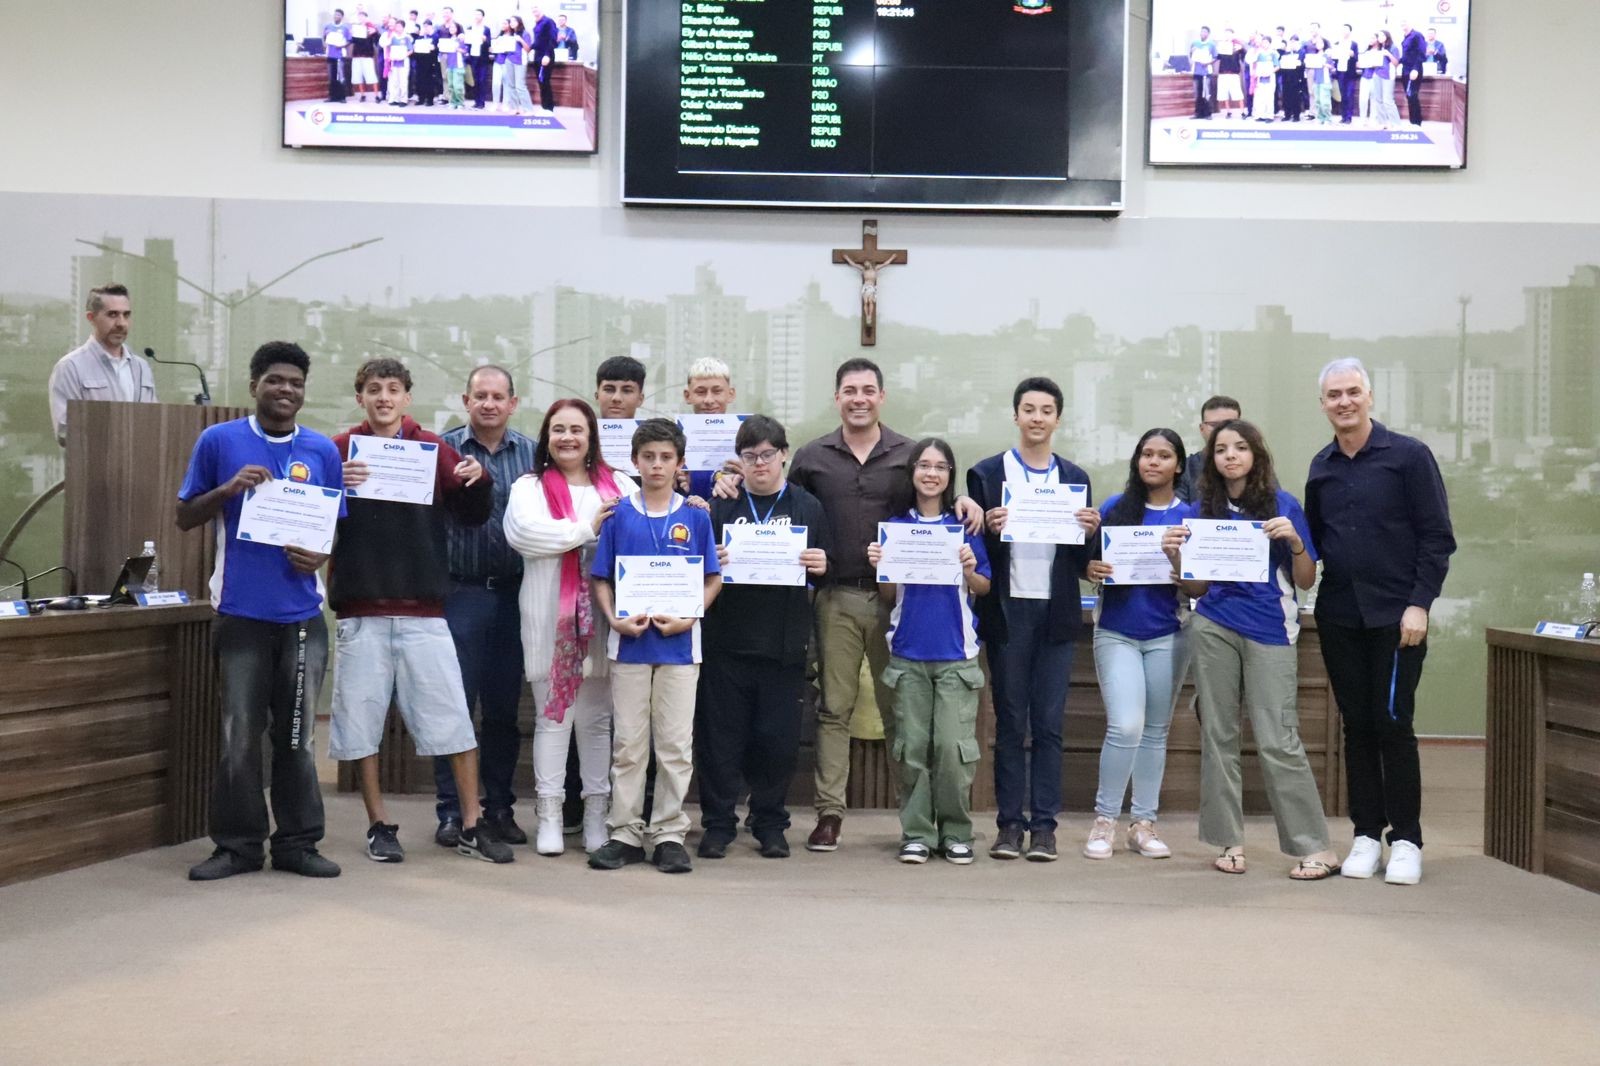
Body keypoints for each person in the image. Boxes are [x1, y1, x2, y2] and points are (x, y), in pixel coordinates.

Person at [787, 358, 983, 852]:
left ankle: (912, 822)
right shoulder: (812, 457)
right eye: (850, 390)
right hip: (836, 597)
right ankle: (830, 814)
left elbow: (935, 496)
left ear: (882, 396)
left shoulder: (908, 454)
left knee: (903, 714)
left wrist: (968, 503)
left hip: (900, 604)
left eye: (868, 390)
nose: (859, 398)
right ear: (837, 397)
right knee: (834, 710)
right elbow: (787, 513)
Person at [328, 358, 513, 866]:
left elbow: (472, 516)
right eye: (372, 389)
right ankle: (377, 823)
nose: (383, 397)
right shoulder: (340, 450)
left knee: (453, 718)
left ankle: (473, 824)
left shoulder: (433, 448)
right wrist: (334, 485)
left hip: (426, 611)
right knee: (361, 723)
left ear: (407, 397)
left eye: (392, 389)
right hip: (361, 609)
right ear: (360, 396)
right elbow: (318, 519)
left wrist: (480, 480)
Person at [177, 342, 344, 881]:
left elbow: (332, 525)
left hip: (301, 617)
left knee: (297, 737)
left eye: (295, 382)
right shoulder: (219, 441)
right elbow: (184, 515)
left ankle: (297, 844)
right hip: (241, 613)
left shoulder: (320, 450)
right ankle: (237, 847)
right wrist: (228, 489)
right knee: (238, 735)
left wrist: (321, 554)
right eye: (275, 380)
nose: (286, 390)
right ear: (254, 386)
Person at [1162, 420, 1341, 881]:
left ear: (1256, 455)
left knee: (1278, 738)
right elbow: (1197, 585)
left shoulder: (1283, 505)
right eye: (1221, 449)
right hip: (1214, 625)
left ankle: (1315, 847)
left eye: (1240, 448)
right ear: (1212, 460)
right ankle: (1228, 841)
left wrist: (1296, 542)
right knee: (1218, 735)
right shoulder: (1203, 510)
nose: (1230, 456)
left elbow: (1304, 580)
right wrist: (1176, 558)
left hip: (1270, 630)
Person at [1305, 357, 1455, 885]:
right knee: (1357, 727)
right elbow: (1316, 545)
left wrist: (1420, 604)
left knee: (1394, 725)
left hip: (1398, 618)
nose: (1343, 402)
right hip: (1340, 615)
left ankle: (1407, 839)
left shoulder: (1409, 457)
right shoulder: (1321, 466)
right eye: (1333, 395)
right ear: (1323, 404)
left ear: (1369, 396)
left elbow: (1438, 538)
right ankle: (1366, 834)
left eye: (1352, 392)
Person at [967, 378, 1096, 861]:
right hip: (1008, 611)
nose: (1037, 417)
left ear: (1058, 419)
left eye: (1046, 410)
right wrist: (992, 527)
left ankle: (1044, 828)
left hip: (1057, 613)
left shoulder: (1075, 476)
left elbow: (1082, 558)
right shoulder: (985, 474)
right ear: (1016, 415)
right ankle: (1008, 827)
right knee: (1009, 722)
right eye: (1028, 409)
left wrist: (1089, 533)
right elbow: (976, 545)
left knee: (1048, 725)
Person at [587, 419, 722, 873]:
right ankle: (624, 832)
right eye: (649, 457)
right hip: (629, 648)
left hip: (680, 650)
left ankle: (668, 832)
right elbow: (602, 578)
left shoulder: (696, 516)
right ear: (635, 461)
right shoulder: (619, 515)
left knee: (675, 745)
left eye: (666, 457)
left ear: (680, 463)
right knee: (628, 744)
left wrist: (690, 616)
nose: (657, 465)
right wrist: (613, 620)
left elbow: (712, 578)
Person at [504, 399, 634, 855]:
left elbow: (635, 530)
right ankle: (550, 816)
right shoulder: (529, 486)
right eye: (558, 429)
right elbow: (524, 535)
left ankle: (597, 815)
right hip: (546, 616)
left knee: (598, 723)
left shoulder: (618, 483)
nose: (567, 438)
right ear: (546, 437)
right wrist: (586, 529)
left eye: (577, 429)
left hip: (602, 612)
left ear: (591, 436)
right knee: (552, 719)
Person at [698, 415, 830, 860]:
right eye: (750, 456)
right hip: (726, 644)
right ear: (740, 460)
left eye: (768, 455)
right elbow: (698, 573)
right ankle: (718, 825)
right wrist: (710, 561)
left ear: (784, 455)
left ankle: (770, 824)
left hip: (784, 645)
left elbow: (822, 573)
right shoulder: (720, 508)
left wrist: (820, 565)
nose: (759, 464)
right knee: (721, 742)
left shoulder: (807, 506)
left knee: (776, 743)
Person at [429, 366, 538, 849]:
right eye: (480, 396)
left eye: (498, 396)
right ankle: (452, 811)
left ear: (513, 403)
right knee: (454, 706)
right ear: (465, 400)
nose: (489, 404)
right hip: (460, 593)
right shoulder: (441, 450)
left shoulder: (536, 456)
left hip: (516, 594)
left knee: (501, 710)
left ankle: (499, 808)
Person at [869, 439, 991, 865]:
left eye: (940, 466)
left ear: (949, 475)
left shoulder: (965, 527)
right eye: (923, 465)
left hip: (957, 655)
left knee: (953, 750)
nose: (931, 473)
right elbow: (887, 596)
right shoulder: (895, 529)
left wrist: (970, 569)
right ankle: (917, 832)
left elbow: (984, 588)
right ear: (913, 472)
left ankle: (957, 832)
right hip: (907, 653)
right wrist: (880, 564)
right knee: (913, 747)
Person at [1083, 430, 1190, 861]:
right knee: (1125, 725)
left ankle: (1143, 824)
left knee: (1155, 732)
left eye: (1164, 456)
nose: (1154, 462)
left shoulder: (1191, 515)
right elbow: (1089, 567)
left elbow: (1200, 581)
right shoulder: (1115, 508)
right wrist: (1090, 567)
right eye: (1147, 454)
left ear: (1178, 465)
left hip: (1169, 633)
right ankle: (1105, 820)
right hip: (1117, 631)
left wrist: (1182, 568)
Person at [48, 283, 157, 446]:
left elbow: (155, 422)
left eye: (126, 315)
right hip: (92, 468)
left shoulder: (141, 367)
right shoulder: (70, 367)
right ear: (91, 318)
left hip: (139, 467)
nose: (121, 323)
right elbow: (65, 431)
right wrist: (118, 435)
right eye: (112, 315)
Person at [681, 356, 741, 500]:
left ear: (731, 394)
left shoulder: (746, 440)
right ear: (687, 396)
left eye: (717, 391)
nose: (708, 400)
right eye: (700, 392)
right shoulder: (672, 441)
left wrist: (748, 476)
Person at [1176, 395, 1240, 504]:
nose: (1222, 431)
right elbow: (1180, 515)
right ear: (1202, 429)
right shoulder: (1185, 469)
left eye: (1230, 425)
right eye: (1214, 425)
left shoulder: (1256, 466)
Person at [529, 5, 559, 112]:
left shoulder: (548, 21)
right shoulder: (537, 23)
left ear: (541, 9)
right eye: (533, 9)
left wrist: (547, 55)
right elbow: (538, 41)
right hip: (537, 55)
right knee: (541, 82)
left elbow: (552, 39)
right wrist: (529, 47)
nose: (534, 10)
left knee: (545, 81)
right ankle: (544, 107)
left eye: (536, 8)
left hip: (546, 55)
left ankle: (549, 108)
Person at [348, 7, 379, 103]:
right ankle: (362, 95)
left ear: (366, 17)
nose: (361, 18)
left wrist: (375, 32)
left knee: (371, 76)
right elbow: (352, 41)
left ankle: (377, 96)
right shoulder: (355, 28)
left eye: (362, 16)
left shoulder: (372, 28)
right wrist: (351, 34)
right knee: (358, 76)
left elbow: (377, 40)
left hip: (367, 55)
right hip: (357, 55)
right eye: (359, 17)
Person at [1399, 19, 1427, 126]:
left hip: (1414, 70)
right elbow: (1407, 55)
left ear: (1410, 23)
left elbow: (1421, 53)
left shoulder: (1417, 35)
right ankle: (1412, 122)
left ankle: (1417, 122)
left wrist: (1415, 69)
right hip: (1405, 70)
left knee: (1413, 96)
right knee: (1409, 95)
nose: (1403, 24)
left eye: (1405, 22)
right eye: (1402, 23)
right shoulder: (1406, 37)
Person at [465, 8, 492, 110]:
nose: (476, 17)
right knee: (474, 80)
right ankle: (476, 101)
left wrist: (485, 40)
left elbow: (489, 44)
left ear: (482, 17)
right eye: (475, 14)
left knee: (482, 79)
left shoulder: (486, 29)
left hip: (483, 58)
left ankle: (482, 102)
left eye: (479, 15)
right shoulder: (469, 28)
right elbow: (467, 43)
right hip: (473, 57)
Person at [1333, 23, 1361, 125]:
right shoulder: (1337, 43)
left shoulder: (1354, 44)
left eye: (1346, 29)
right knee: (1343, 95)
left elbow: (1357, 58)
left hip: (1350, 73)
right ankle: (1343, 116)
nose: (1344, 31)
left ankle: (1349, 117)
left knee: (1349, 95)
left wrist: (1353, 55)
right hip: (1340, 72)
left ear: (1350, 31)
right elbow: (1334, 58)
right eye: (1343, 29)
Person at [410, 18, 441, 106]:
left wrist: (433, 47)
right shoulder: (421, 36)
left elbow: (436, 47)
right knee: (420, 80)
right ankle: (421, 98)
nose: (426, 28)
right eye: (424, 27)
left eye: (427, 26)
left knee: (429, 80)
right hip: (420, 61)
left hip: (430, 61)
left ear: (431, 27)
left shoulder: (435, 36)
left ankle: (430, 99)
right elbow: (415, 46)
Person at [322, 9, 350, 102]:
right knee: (331, 77)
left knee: (340, 76)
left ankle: (342, 97)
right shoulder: (328, 26)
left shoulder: (345, 28)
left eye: (338, 15)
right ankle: (332, 97)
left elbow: (349, 40)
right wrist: (324, 44)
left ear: (342, 17)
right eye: (335, 14)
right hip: (330, 54)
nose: (336, 16)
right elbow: (324, 38)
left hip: (339, 55)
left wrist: (343, 45)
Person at [1215, 34, 1245, 119]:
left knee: (1238, 93)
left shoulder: (1237, 45)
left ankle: (1242, 112)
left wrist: (1241, 48)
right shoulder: (1221, 46)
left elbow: (1244, 55)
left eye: (1229, 34)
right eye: (1226, 34)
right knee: (1224, 94)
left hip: (1233, 74)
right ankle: (1228, 112)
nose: (1227, 36)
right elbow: (1217, 57)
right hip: (1223, 73)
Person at [382, 20, 411, 107]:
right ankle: (394, 99)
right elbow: (385, 45)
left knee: (403, 81)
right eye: (396, 26)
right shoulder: (392, 37)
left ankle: (403, 100)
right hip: (393, 61)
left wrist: (404, 55)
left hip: (403, 61)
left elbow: (410, 50)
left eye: (399, 26)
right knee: (393, 81)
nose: (397, 28)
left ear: (403, 27)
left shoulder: (406, 37)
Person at [1190, 26, 1217, 119]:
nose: (1203, 33)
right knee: (1197, 93)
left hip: (1206, 72)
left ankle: (1208, 114)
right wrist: (1192, 52)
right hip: (1196, 71)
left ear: (1208, 34)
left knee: (1206, 93)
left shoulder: (1211, 44)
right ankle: (1198, 113)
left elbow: (1215, 57)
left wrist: (1207, 63)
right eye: (1202, 32)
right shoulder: (1195, 43)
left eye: (1205, 32)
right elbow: (1191, 55)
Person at [438, 21, 466, 108]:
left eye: (454, 27)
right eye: (450, 28)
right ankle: (452, 102)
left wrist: (457, 48)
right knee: (450, 85)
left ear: (458, 29)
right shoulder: (447, 40)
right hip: (449, 65)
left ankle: (460, 102)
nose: (452, 29)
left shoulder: (461, 39)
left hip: (458, 65)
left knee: (458, 86)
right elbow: (443, 52)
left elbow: (465, 51)